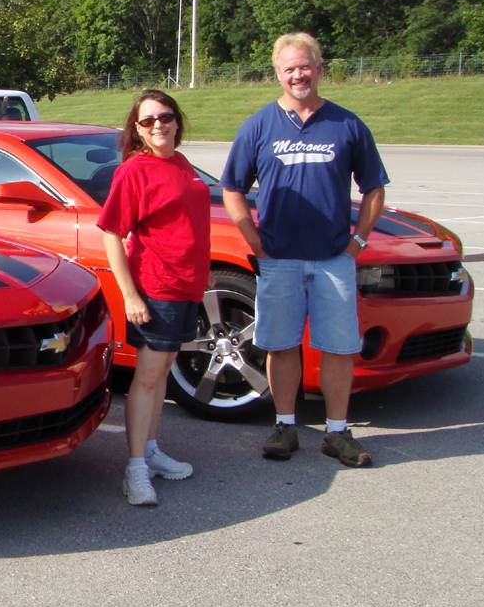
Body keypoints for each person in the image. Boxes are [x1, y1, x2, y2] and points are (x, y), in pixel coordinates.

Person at [220, 32, 388, 468]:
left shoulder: (347, 124)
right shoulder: (258, 125)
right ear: (277, 73)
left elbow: (373, 189)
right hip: (279, 259)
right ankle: (285, 425)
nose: (298, 74)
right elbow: (232, 188)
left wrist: (358, 242)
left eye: (305, 66)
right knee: (281, 345)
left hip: (334, 258)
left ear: (319, 67)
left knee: (337, 347)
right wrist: (254, 240)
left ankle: (336, 432)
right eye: (289, 68)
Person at [97, 89, 211, 506]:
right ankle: (135, 470)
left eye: (165, 117)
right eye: (147, 121)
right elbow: (111, 234)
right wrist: (130, 295)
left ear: (177, 121)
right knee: (146, 379)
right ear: (137, 130)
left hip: (186, 286)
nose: (158, 125)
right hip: (155, 287)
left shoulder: (181, 164)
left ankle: (150, 450)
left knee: (162, 375)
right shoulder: (134, 172)